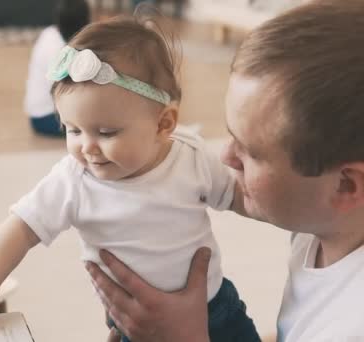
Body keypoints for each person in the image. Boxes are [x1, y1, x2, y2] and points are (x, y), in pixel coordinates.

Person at [0, 12, 260, 342]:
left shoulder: (190, 155)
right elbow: (22, 227)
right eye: (72, 130)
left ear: (163, 124)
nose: (87, 148)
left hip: (215, 306)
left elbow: (237, 195)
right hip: (134, 323)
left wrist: (277, 208)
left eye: (106, 132)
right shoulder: (74, 180)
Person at [87, 1, 364, 341]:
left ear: (347, 186)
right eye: (230, 135)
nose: (226, 157)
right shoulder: (324, 225)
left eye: (250, 151)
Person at [24, 0, 90, 137]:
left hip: (37, 112)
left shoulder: (49, 33)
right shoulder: (61, 53)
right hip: (46, 118)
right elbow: (75, 95)